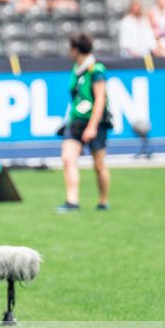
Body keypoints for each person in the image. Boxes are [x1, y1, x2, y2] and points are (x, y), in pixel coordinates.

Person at [57, 33, 110, 213]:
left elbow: (100, 99)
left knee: (99, 165)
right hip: (75, 121)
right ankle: (72, 201)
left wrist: (92, 126)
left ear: (75, 49)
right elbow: (75, 99)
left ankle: (103, 200)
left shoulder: (96, 70)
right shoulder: (76, 68)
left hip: (95, 122)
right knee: (67, 158)